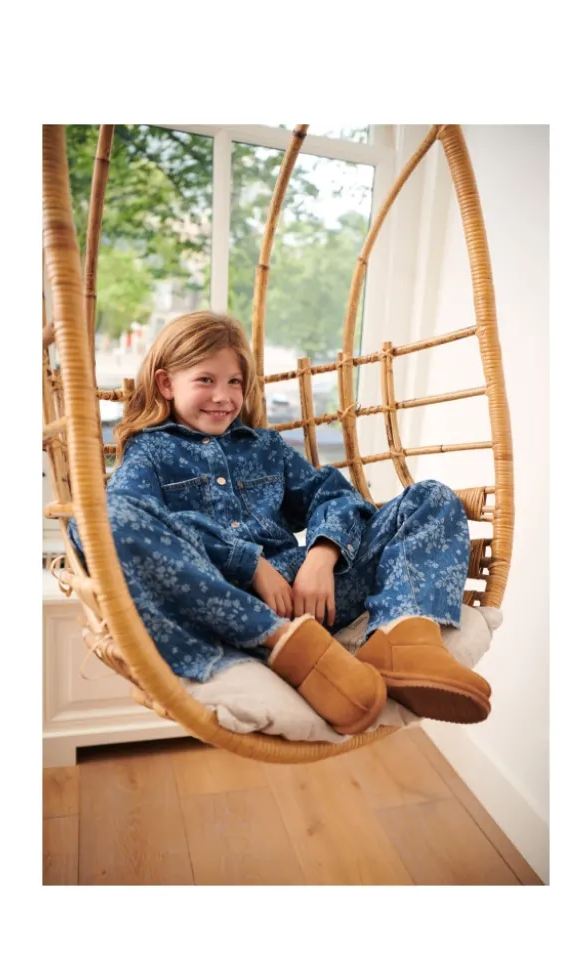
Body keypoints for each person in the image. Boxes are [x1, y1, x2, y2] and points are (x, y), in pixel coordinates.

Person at [66, 311, 490, 735]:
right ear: (165, 384)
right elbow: (135, 524)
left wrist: (321, 557)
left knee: (431, 498)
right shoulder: (149, 454)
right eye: (205, 380)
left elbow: (335, 496)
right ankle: (286, 646)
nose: (223, 396)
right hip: (225, 609)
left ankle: (404, 639)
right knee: (100, 518)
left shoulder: (265, 448)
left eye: (234, 381)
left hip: (314, 598)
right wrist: (248, 563)